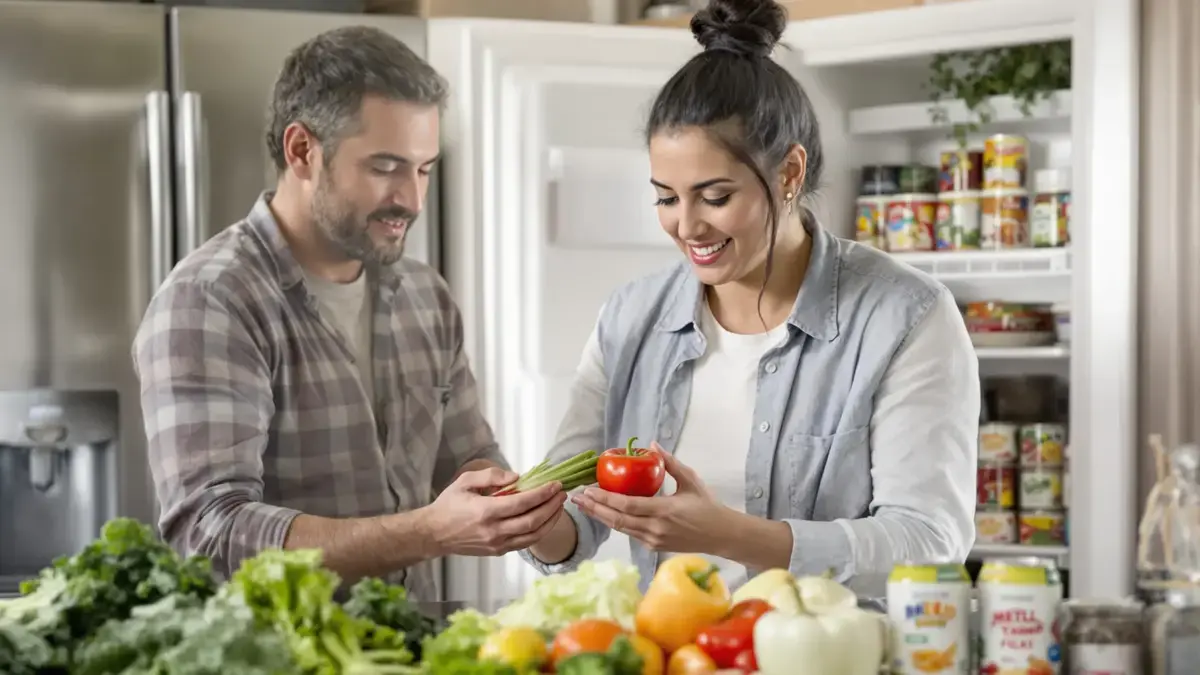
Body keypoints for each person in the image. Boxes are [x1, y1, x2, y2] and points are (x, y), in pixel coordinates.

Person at [521, 0, 979, 598]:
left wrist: (736, 535)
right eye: (665, 198)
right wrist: (522, 518)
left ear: (789, 174)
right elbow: (571, 526)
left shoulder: (904, 317)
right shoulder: (632, 318)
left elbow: (929, 542)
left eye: (714, 197)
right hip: (678, 653)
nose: (686, 227)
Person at [133, 26, 565, 599]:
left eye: (424, 168)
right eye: (385, 167)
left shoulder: (423, 296)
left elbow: (469, 464)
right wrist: (426, 531)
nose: (412, 200)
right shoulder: (213, 299)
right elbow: (211, 534)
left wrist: (555, 506)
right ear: (302, 151)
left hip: (412, 652)